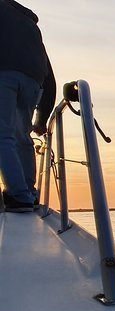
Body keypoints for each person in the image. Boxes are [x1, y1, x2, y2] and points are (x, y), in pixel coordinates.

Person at [0, 0, 55, 212]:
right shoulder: (30, 26)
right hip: (33, 81)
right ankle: (29, 193)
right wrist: (41, 118)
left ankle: (18, 195)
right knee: (22, 135)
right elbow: (50, 77)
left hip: (3, 74)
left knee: (3, 135)